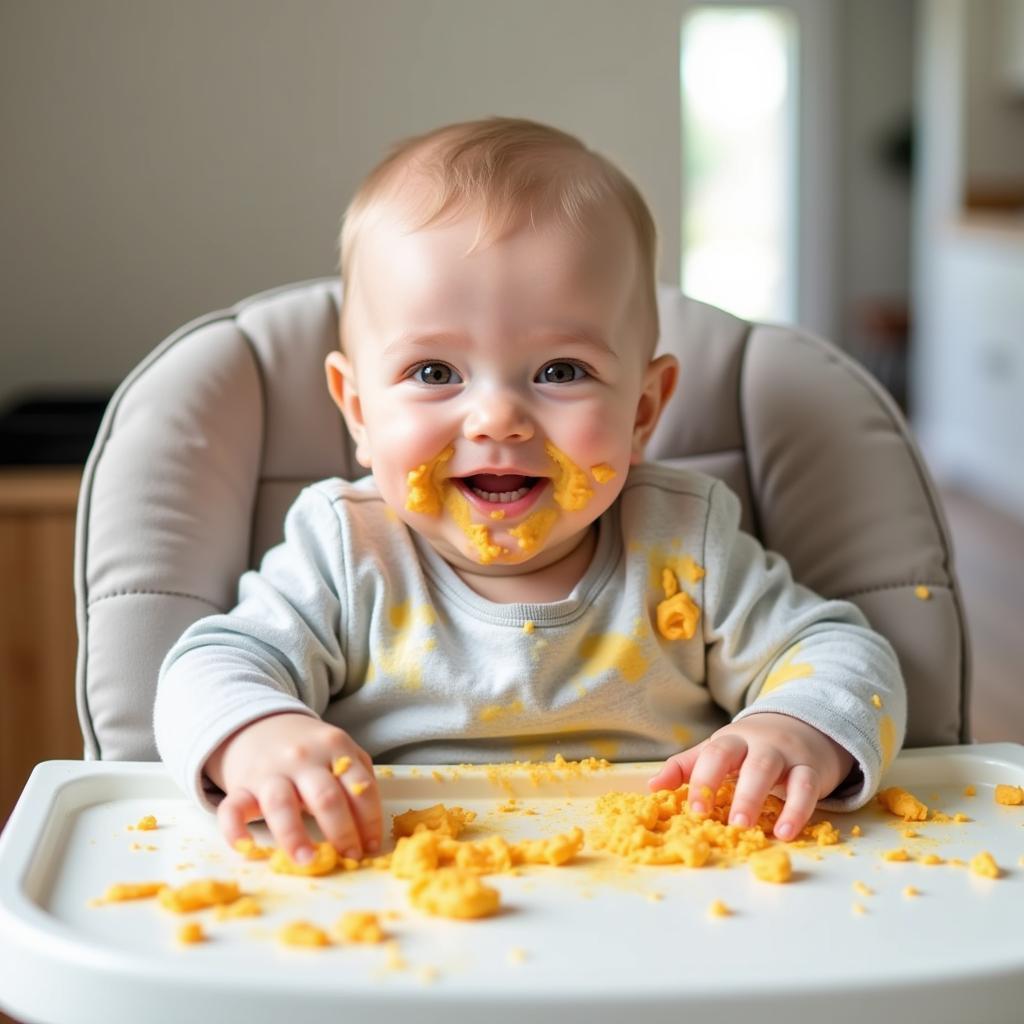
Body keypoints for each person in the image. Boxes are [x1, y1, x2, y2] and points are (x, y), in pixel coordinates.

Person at [154, 116, 906, 867]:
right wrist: (257, 735)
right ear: (358, 410)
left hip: (663, 899)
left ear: (642, 411)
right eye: (434, 373)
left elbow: (840, 652)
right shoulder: (346, 553)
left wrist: (795, 729)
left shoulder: (683, 542)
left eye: (560, 371)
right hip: (398, 901)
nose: (497, 419)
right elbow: (208, 667)